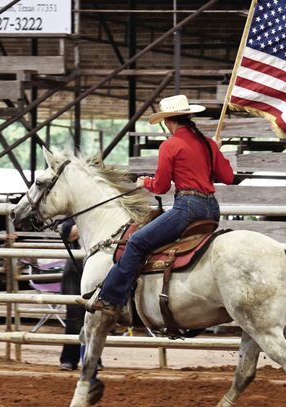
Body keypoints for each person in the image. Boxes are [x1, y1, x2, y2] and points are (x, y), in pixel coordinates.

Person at [88, 94, 235, 316]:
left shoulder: (171, 145)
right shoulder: (207, 144)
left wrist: (144, 182)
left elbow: (162, 186)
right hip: (211, 209)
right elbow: (228, 176)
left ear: (169, 120)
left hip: (187, 207)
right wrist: (217, 153)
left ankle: (110, 298)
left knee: (136, 242)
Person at [58, 219, 85, 371]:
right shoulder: (73, 215)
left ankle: (91, 358)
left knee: (94, 317)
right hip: (75, 271)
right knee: (74, 317)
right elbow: (68, 235)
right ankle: (68, 359)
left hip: (95, 269)